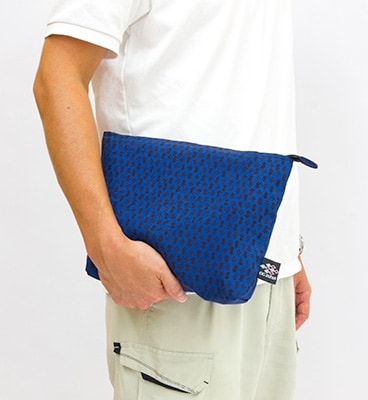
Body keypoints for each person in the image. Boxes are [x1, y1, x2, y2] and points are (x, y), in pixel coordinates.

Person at [34, 0, 311, 398]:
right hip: (174, 280)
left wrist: (283, 249)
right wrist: (105, 246)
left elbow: (245, 82)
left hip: (266, 273)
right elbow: (57, 76)